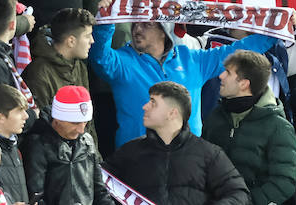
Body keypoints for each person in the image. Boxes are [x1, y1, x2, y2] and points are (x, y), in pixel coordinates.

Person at [89, 0, 278, 146]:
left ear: (164, 30)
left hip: (187, 160)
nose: (137, 29)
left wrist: (276, 30)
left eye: (146, 25)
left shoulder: (193, 60)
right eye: (135, 24)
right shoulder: (122, 62)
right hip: (137, 161)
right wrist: (106, 21)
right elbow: (99, 58)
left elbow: (236, 51)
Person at [105, 81, 251, 205]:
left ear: (172, 113)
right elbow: (99, 183)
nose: (145, 107)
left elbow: (239, 194)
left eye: (153, 102)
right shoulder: (129, 152)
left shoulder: (210, 154)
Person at [203, 51, 296, 205]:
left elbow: (284, 182)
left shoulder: (279, 127)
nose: (221, 76)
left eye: (228, 73)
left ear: (244, 84)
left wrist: (244, 202)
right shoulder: (215, 116)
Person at [26, 85, 119, 205]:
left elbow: (100, 191)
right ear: (57, 118)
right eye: (75, 123)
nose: (81, 130)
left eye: (85, 122)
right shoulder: (38, 144)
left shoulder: (87, 141)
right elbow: (36, 196)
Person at [24, 7, 96, 119]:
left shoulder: (80, 67)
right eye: (87, 36)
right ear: (71, 41)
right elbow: (40, 122)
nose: (92, 41)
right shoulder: (38, 72)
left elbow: (86, 118)